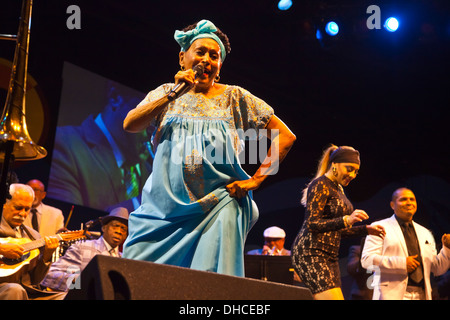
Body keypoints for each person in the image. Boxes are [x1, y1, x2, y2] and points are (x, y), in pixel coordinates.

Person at [122, 19, 296, 277]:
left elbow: (285, 136)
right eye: (200, 52)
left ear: (219, 66)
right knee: (136, 275)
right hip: (162, 211)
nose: (206, 59)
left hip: (218, 206)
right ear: (183, 58)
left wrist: (257, 180)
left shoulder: (235, 97)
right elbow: (130, 124)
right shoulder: (165, 94)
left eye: (213, 56)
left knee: (206, 285)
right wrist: (173, 95)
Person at [291, 144, 385, 300]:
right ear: (334, 164)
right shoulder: (320, 184)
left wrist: (366, 230)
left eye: (356, 171)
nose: (353, 175)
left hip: (330, 257)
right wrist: (346, 219)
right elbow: (312, 224)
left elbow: (338, 230)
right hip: (311, 253)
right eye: (349, 169)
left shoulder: (338, 189)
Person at [47, 81, 152, 212]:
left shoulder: (149, 169)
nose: (153, 128)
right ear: (115, 98)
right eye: (148, 115)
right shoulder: (65, 143)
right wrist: (144, 201)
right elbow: (63, 217)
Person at [361, 187, 450, 300]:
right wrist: (402, 264)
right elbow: (367, 260)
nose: (409, 203)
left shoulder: (425, 232)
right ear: (392, 205)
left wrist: (447, 249)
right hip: (392, 294)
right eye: (403, 199)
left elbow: (437, 268)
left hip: (422, 294)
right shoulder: (379, 227)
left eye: (412, 199)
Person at [40, 207, 128, 295]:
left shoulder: (124, 259)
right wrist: (82, 285)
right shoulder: (82, 248)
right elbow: (51, 275)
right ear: (104, 228)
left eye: (123, 229)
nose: (119, 231)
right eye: (115, 226)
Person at [0, 183, 62, 300]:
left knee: (64, 296)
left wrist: (46, 257)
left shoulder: (33, 236)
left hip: (27, 291)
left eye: (27, 209)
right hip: (5, 289)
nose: (23, 214)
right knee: (15, 290)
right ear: (4, 203)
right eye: (18, 208)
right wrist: (2, 249)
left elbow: (35, 280)